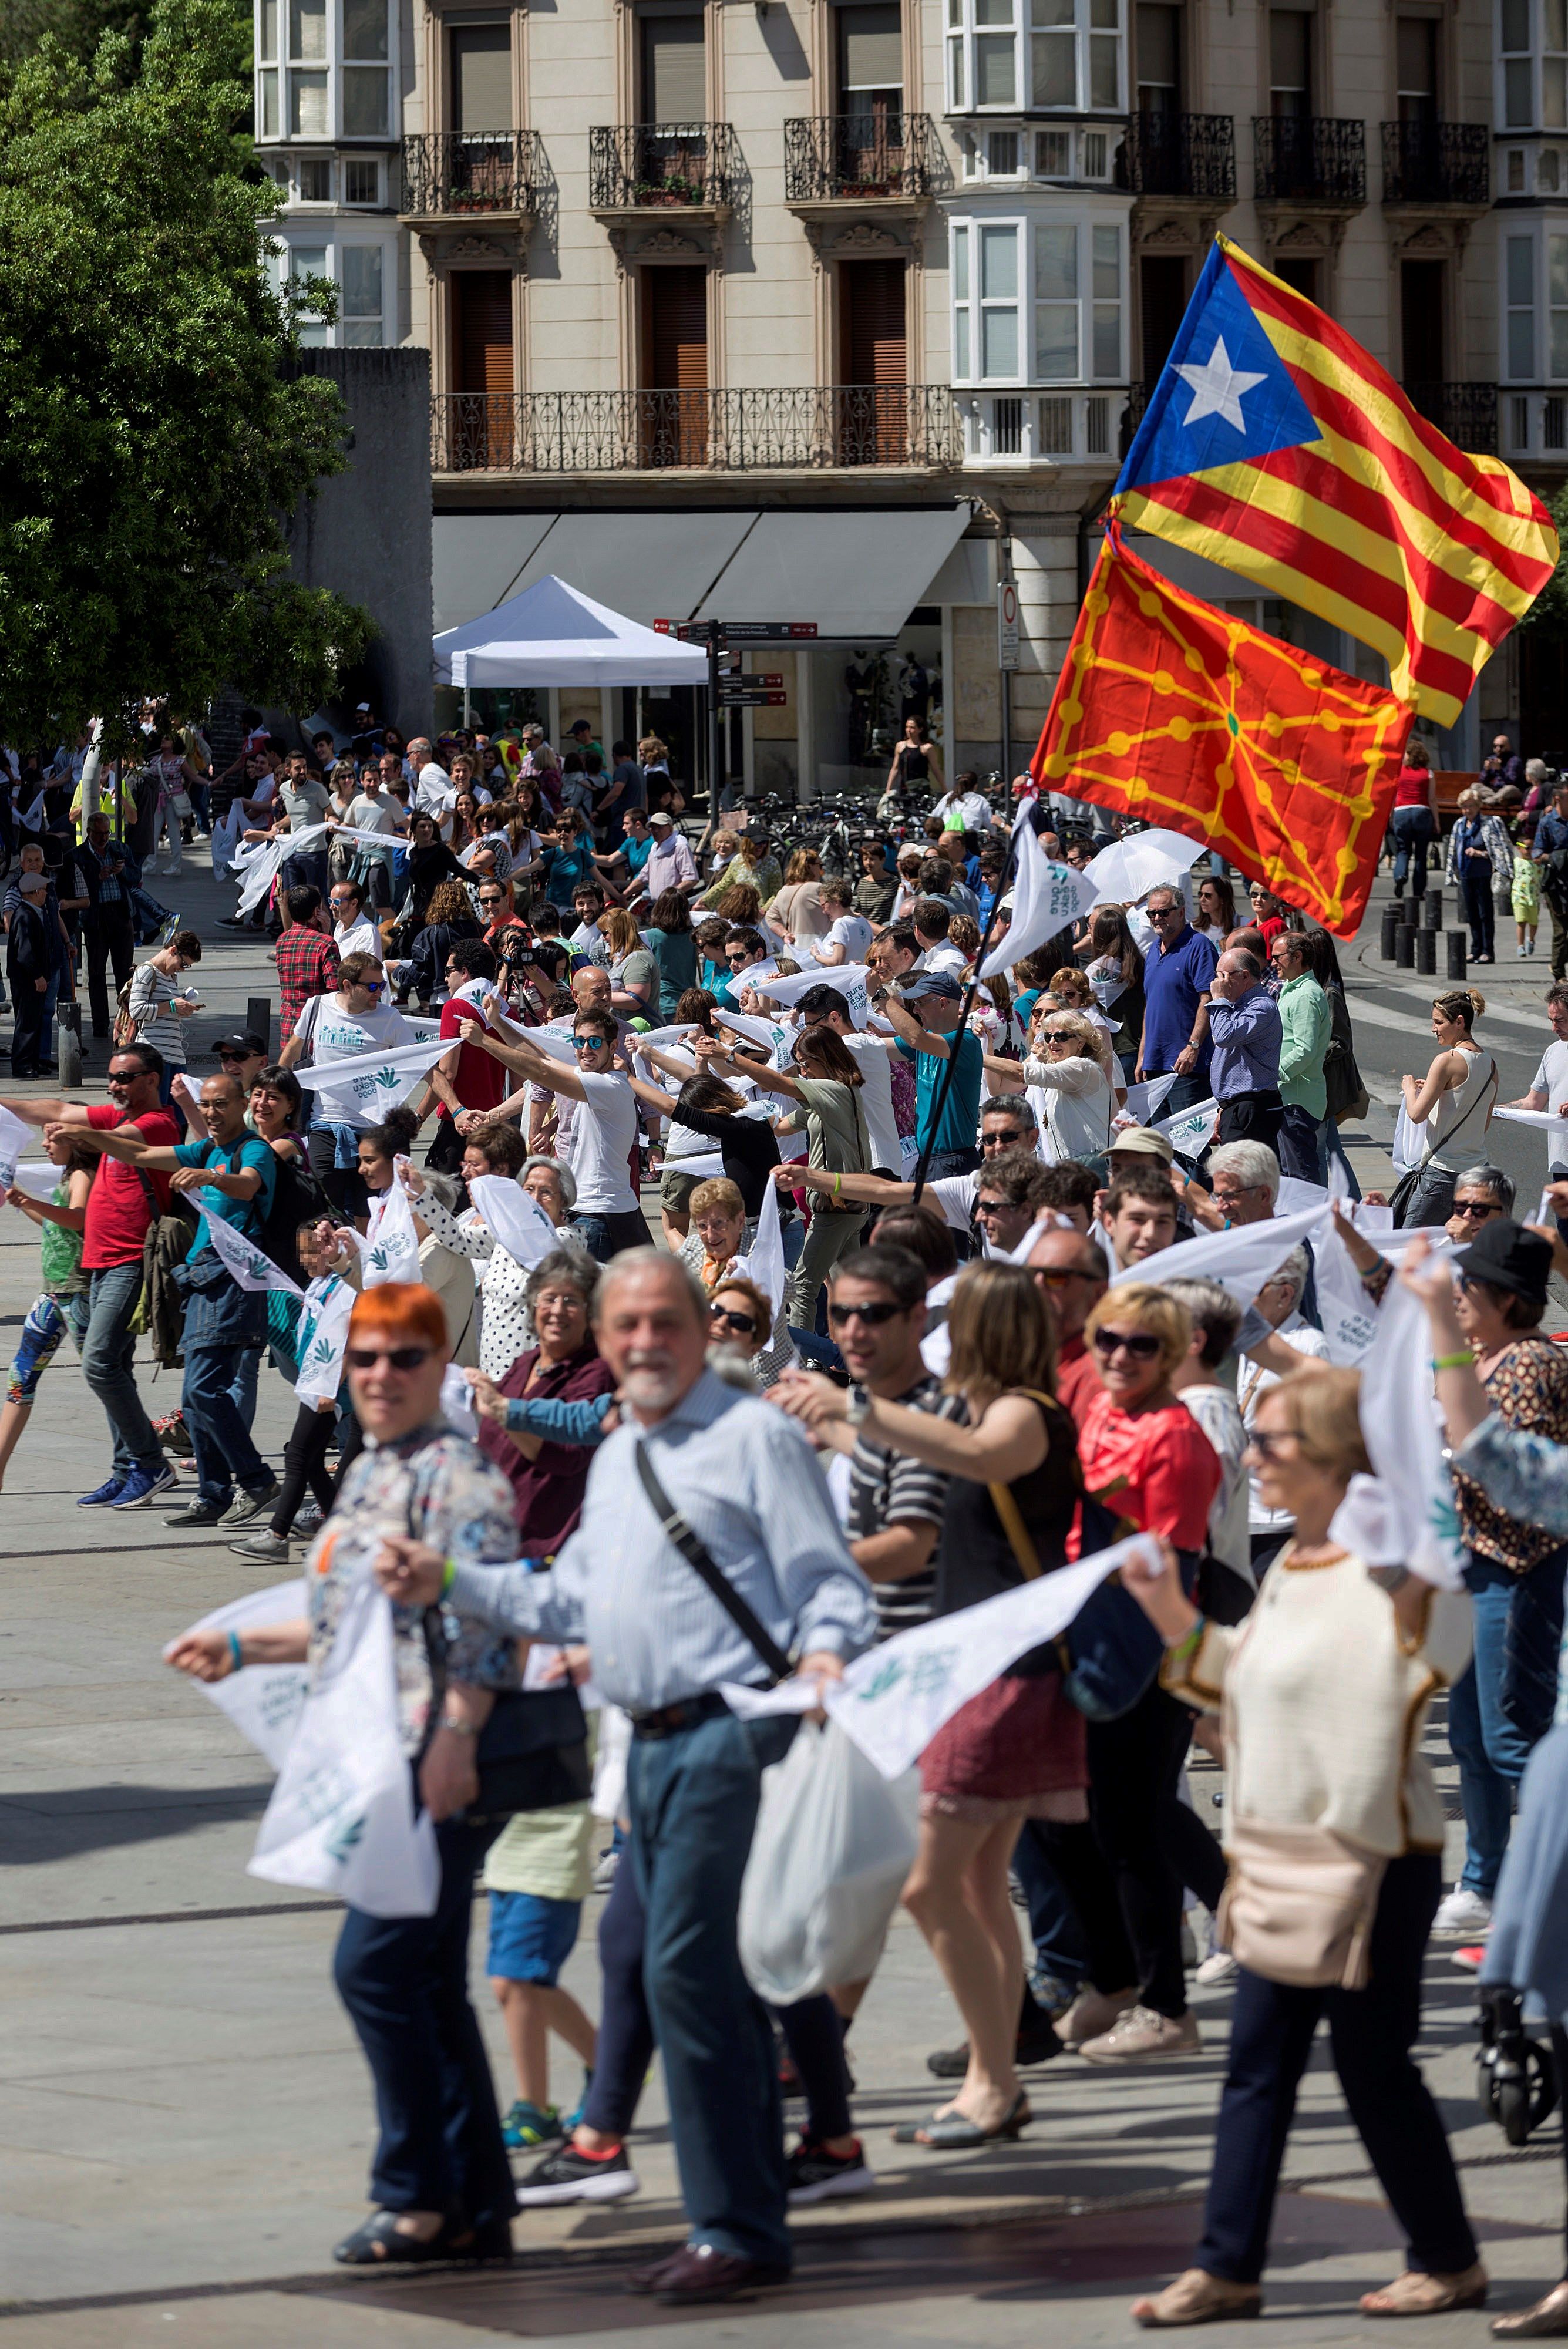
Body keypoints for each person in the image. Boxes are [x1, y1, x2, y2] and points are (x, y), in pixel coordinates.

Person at [374, 1250, 877, 2306]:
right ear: (603, 1343)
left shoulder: (752, 1440)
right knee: (682, 1976)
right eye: (626, 1327)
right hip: (640, 1746)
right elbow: (573, 1606)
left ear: (699, 1332)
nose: (643, 1342)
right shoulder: (617, 1457)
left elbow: (829, 1583)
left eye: (664, 1323)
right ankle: (747, 2215)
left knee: (688, 1978)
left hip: (729, 1737)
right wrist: (453, 1578)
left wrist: (828, 1654)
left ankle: (734, 2224)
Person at [168, 1281, 523, 2266]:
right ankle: (474, 2200)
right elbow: (352, 1622)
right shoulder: (371, 1472)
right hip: (380, 1747)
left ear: (440, 1370)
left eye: (403, 1358)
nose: (379, 1376)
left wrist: (455, 1739)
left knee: (373, 1968)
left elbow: (490, 1633)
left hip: (434, 1758)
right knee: (426, 1980)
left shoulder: (461, 1479)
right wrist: (246, 1650)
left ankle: (415, 2193)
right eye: (364, 1357)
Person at [1125, 1367, 1483, 2330]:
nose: (1253, 1457)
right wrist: (1168, 1615)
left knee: (1372, 2068)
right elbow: (1241, 1682)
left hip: (1373, 1860)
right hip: (1279, 1853)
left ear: (1332, 1455)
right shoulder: (1296, 1566)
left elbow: (1439, 1647)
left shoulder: (1398, 1571)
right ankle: (1226, 2267)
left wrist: (1407, 1554)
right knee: (1259, 2065)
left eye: (1272, 1441)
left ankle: (1447, 2259)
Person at [775, 1262, 1093, 2146]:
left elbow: (978, 1459)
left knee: (928, 1885)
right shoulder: (975, 1415)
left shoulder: (1023, 1415)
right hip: (981, 1673)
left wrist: (857, 1409)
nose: (942, 1336)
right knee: (978, 1886)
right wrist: (837, 1420)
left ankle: (994, 2081)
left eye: (957, 1322)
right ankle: (999, 2079)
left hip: (1006, 1678)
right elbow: (927, 1459)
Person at [1068, 1283, 1221, 2063]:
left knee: (1134, 1832)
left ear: (1170, 1355)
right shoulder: (1099, 1411)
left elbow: (1169, 1566)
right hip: (1085, 1641)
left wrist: (1184, 1684)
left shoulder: (1175, 1435)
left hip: (1144, 1657)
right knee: (1105, 1828)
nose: (1120, 1357)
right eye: (1109, 1342)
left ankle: (1166, 2007)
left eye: (1142, 1346)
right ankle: (1119, 1985)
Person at [1435, 1218, 1568, 1940]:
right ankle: (1485, 1879)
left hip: (1514, 1571)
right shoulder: (1484, 1357)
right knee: (1471, 1736)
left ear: (1506, 1298)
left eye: (1471, 1285)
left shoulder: (1528, 1366)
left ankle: (1540, 1884)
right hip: (1472, 1568)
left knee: (1512, 1736)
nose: (1457, 1295)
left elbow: (1507, 1472)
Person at [91, 1071, 281, 1528]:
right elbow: (138, 1153)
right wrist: (89, 1135)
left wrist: (209, 1176)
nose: (212, 1114)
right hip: (199, 1279)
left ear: (242, 1107)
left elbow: (248, 1184)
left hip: (232, 1280)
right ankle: (213, 1494)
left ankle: (256, 1480)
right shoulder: (208, 1147)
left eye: (222, 1105)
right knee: (195, 1397)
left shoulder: (251, 1149)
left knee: (203, 1389)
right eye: (207, 1106)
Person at [0, 1045, 180, 1505]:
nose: (116, 1086)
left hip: (129, 1262)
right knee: (114, 1366)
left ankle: (152, 1463)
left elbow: (129, 1146)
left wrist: (81, 1132)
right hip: (97, 1263)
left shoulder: (158, 1123)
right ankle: (127, 1470)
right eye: (112, 1078)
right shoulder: (109, 1121)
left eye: (126, 1077)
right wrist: (8, 1103)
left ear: (152, 1079)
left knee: (99, 1363)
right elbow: (56, 1108)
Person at [707, 1025, 870, 1330]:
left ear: (827, 1058)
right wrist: (734, 1113)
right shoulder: (830, 1098)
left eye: (807, 1064)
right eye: (800, 1064)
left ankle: (798, 1365)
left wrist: (729, 1056)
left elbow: (778, 1083)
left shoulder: (834, 1090)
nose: (803, 1071)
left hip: (835, 1207)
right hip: (847, 1206)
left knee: (803, 1287)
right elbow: (780, 1126)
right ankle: (852, 1356)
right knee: (850, 1289)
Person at [459, 1005, 647, 1261]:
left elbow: (540, 1072)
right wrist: (499, 1024)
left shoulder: (608, 1085)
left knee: (590, 1298)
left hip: (600, 1215)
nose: (585, 1049)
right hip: (608, 1209)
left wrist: (485, 1042)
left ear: (613, 1047)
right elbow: (542, 1057)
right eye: (579, 1041)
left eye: (594, 1042)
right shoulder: (592, 1076)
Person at [228, 1219, 361, 1564]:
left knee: (299, 1455)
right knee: (311, 1460)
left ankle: (277, 1535)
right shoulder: (320, 1286)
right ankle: (340, 1534)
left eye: (311, 1251)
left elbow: (349, 1337)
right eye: (301, 1252)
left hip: (331, 1387)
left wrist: (329, 1386)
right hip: (321, 1384)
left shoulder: (345, 1288)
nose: (305, 1259)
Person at [469, 1250, 614, 1547]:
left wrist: (503, 1413)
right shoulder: (527, 1362)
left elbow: (568, 1455)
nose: (557, 1311)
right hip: (491, 1534)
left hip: (545, 1546)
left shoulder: (596, 1372)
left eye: (571, 1301)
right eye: (549, 1299)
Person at [279, 954, 414, 1218]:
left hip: (372, 1132)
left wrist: (451, 1109)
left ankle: (366, 1259)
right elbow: (292, 1053)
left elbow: (424, 1066)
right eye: (372, 987)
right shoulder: (317, 1006)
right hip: (323, 1125)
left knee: (370, 1213)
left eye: (383, 986)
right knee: (321, 1210)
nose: (379, 993)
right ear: (347, 986)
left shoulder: (390, 1018)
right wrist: (269, 1094)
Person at [0, 1128, 96, 1488]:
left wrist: (32, 1203)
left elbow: (78, 1219)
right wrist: (26, 1204)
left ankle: (143, 1461)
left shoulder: (84, 1176)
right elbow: (58, 1226)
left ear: (75, 1142)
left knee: (109, 1384)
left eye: (52, 1139)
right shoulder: (68, 1176)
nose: (44, 1145)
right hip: (52, 1296)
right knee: (19, 1381)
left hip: (78, 1297)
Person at [1398, 988, 1498, 1228]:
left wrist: (1410, 1088)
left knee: (1410, 1244)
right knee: (1461, 1244)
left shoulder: (1447, 1060)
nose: (1434, 1028)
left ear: (1459, 1022)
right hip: (1477, 1172)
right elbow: (1482, 1124)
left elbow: (1416, 1114)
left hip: (1442, 1173)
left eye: (1438, 1022)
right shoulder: (1491, 1065)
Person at [984, 1006, 1119, 1163]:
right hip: (1068, 1167)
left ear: (1081, 1042)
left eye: (1062, 1037)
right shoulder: (1062, 1069)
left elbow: (1020, 1074)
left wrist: (979, 1057)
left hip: (1091, 1166)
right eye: (1048, 1037)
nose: (1053, 1042)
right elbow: (998, 1088)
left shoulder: (1083, 1067)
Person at [884, 972, 985, 1180]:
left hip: (953, 1162)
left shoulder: (965, 1041)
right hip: (928, 1161)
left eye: (921, 1003)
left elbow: (915, 1037)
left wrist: (881, 998)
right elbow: (877, 1049)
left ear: (943, 1003)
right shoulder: (924, 1042)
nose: (916, 1010)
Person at [1135, 887, 1217, 1115]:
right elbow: (1150, 1005)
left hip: (1186, 1066)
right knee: (1160, 1146)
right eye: (1151, 914)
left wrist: (1193, 1047)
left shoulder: (1199, 945)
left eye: (1164, 912)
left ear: (1181, 913)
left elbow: (1208, 999)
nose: (1157, 918)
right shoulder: (1153, 950)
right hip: (1154, 1064)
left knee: (1189, 1148)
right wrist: (1143, 1054)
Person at [1024, 1224, 1108, 1428]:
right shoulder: (1017, 1360)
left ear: (1098, 1293)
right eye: (1029, 1274)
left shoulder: (1100, 1380)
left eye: (1056, 1277)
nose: (1038, 1285)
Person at [1267, 926, 1330, 1183]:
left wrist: (1275, 1075)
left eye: (1278, 957)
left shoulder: (1305, 995)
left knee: (1301, 1177)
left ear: (1297, 957)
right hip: (1290, 1096)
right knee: (1290, 1174)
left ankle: (1311, 1222)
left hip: (1297, 1098)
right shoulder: (1292, 989)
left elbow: (1304, 1049)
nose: (1273, 963)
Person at [1206, 948, 1283, 1156]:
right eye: (1217, 976)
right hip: (1238, 1108)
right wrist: (1224, 1107)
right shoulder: (1238, 1005)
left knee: (1242, 1176)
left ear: (1245, 976)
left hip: (1252, 1108)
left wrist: (1219, 1000)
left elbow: (1224, 1037)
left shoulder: (1261, 1008)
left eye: (1223, 976)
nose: (1217, 983)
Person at [127, 929, 202, 1106]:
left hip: (175, 1056)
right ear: (173, 951)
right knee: (156, 1114)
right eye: (183, 964)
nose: (182, 970)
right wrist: (173, 1005)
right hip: (155, 1056)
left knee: (178, 1119)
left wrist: (180, 1009)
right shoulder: (146, 971)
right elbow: (136, 1010)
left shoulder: (171, 977)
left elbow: (163, 1012)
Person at [79, 809, 136, 1040]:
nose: (104, 838)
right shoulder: (79, 855)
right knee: (96, 974)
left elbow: (136, 877)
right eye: (99, 834)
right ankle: (100, 1023)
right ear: (89, 832)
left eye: (107, 833)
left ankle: (125, 1021)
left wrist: (122, 873)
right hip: (96, 918)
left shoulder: (119, 849)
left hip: (121, 914)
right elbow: (76, 888)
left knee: (124, 973)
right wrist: (97, 877)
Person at [1447, 789, 1514, 965]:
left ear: (1478, 807)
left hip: (1484, 874)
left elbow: (1500, 849)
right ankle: (1475, 949)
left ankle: (1488, 951)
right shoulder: (1460, 825)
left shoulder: (1490, 823)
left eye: (1471, 806)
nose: (1467, 810)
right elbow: (1453, 849)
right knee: (1472, 914)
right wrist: (1452, 871)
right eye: (1464, 807)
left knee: (1486, 913)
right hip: (1466, 874)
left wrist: (1479, 853)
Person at [274, 886, 340, 1044]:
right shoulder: (326, 943)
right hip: (318, 1026)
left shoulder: (282, 940)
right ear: (316, 911)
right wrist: (327, 933)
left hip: (290, 1024)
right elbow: (335, 989)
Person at [1390, 739, 1439, 902]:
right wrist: (1437, 822)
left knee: (1403, 850)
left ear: (1410, 755)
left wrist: (1391, 815)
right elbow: (1432, 799)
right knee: (1420, 855)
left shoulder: (1399, 771)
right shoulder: (1428, 773)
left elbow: (1393, 795)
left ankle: (1400, 875)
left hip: (1402, 813)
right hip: (1422, 812)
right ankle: (1418, 892)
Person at [1533, 776, 1568, 980]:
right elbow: (1537, 853)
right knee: (1561, 932)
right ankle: (1558, 973)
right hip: (1556, 885)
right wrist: (1558, 857)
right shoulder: (1547, 823)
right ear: (1557, 799)